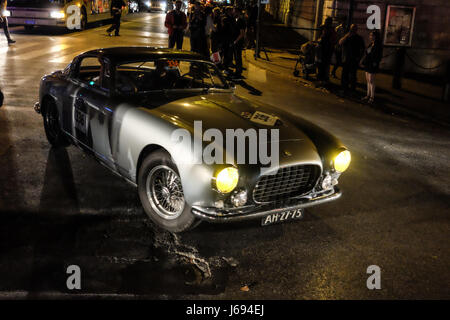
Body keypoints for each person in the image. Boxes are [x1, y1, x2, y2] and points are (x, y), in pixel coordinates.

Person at [339, 24, 365, 94]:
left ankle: (352, 89)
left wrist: (359, 58)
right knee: (345, 74)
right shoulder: (347, 37)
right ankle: (345, 88)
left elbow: (362, 49)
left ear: (356, 30)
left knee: (352, 75)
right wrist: (347, 35)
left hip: (353, 59)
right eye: (352, 28)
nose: (352, 30)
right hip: (346, 58)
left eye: (354, 29)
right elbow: (340, 42)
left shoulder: (359, 38)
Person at [360, 30, 383, 104]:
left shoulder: (378, 45)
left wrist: (376, 62)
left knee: (371, 81)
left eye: (372, 35)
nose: (370, 37)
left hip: (373, 64)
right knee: (368, 80)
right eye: (370, 35)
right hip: (368, 63)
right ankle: (368, 95)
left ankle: (372, 97)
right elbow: (367, 54)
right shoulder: (371, 44)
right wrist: (362, 61)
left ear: (375, 36)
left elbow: (379, 56)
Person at [316, 17, 336, 84]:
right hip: (323, 48)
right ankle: (321, 78)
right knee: (322, 64)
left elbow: (332, 39)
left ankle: (323, 78)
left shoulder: (331, 29)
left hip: (327, 49)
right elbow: (319, 37)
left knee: (325, 64)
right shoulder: (323, 28)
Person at [231, 7, 246, 80]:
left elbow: (242, 33)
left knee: (238, 58)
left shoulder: (240, 21)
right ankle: (237, 72)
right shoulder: (236, 20)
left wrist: (235, 41)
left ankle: (238, 74)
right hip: (236, 42)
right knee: (236, 58)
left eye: (234, 11)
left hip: (238, 43)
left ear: (237, 12)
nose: (233, 13)